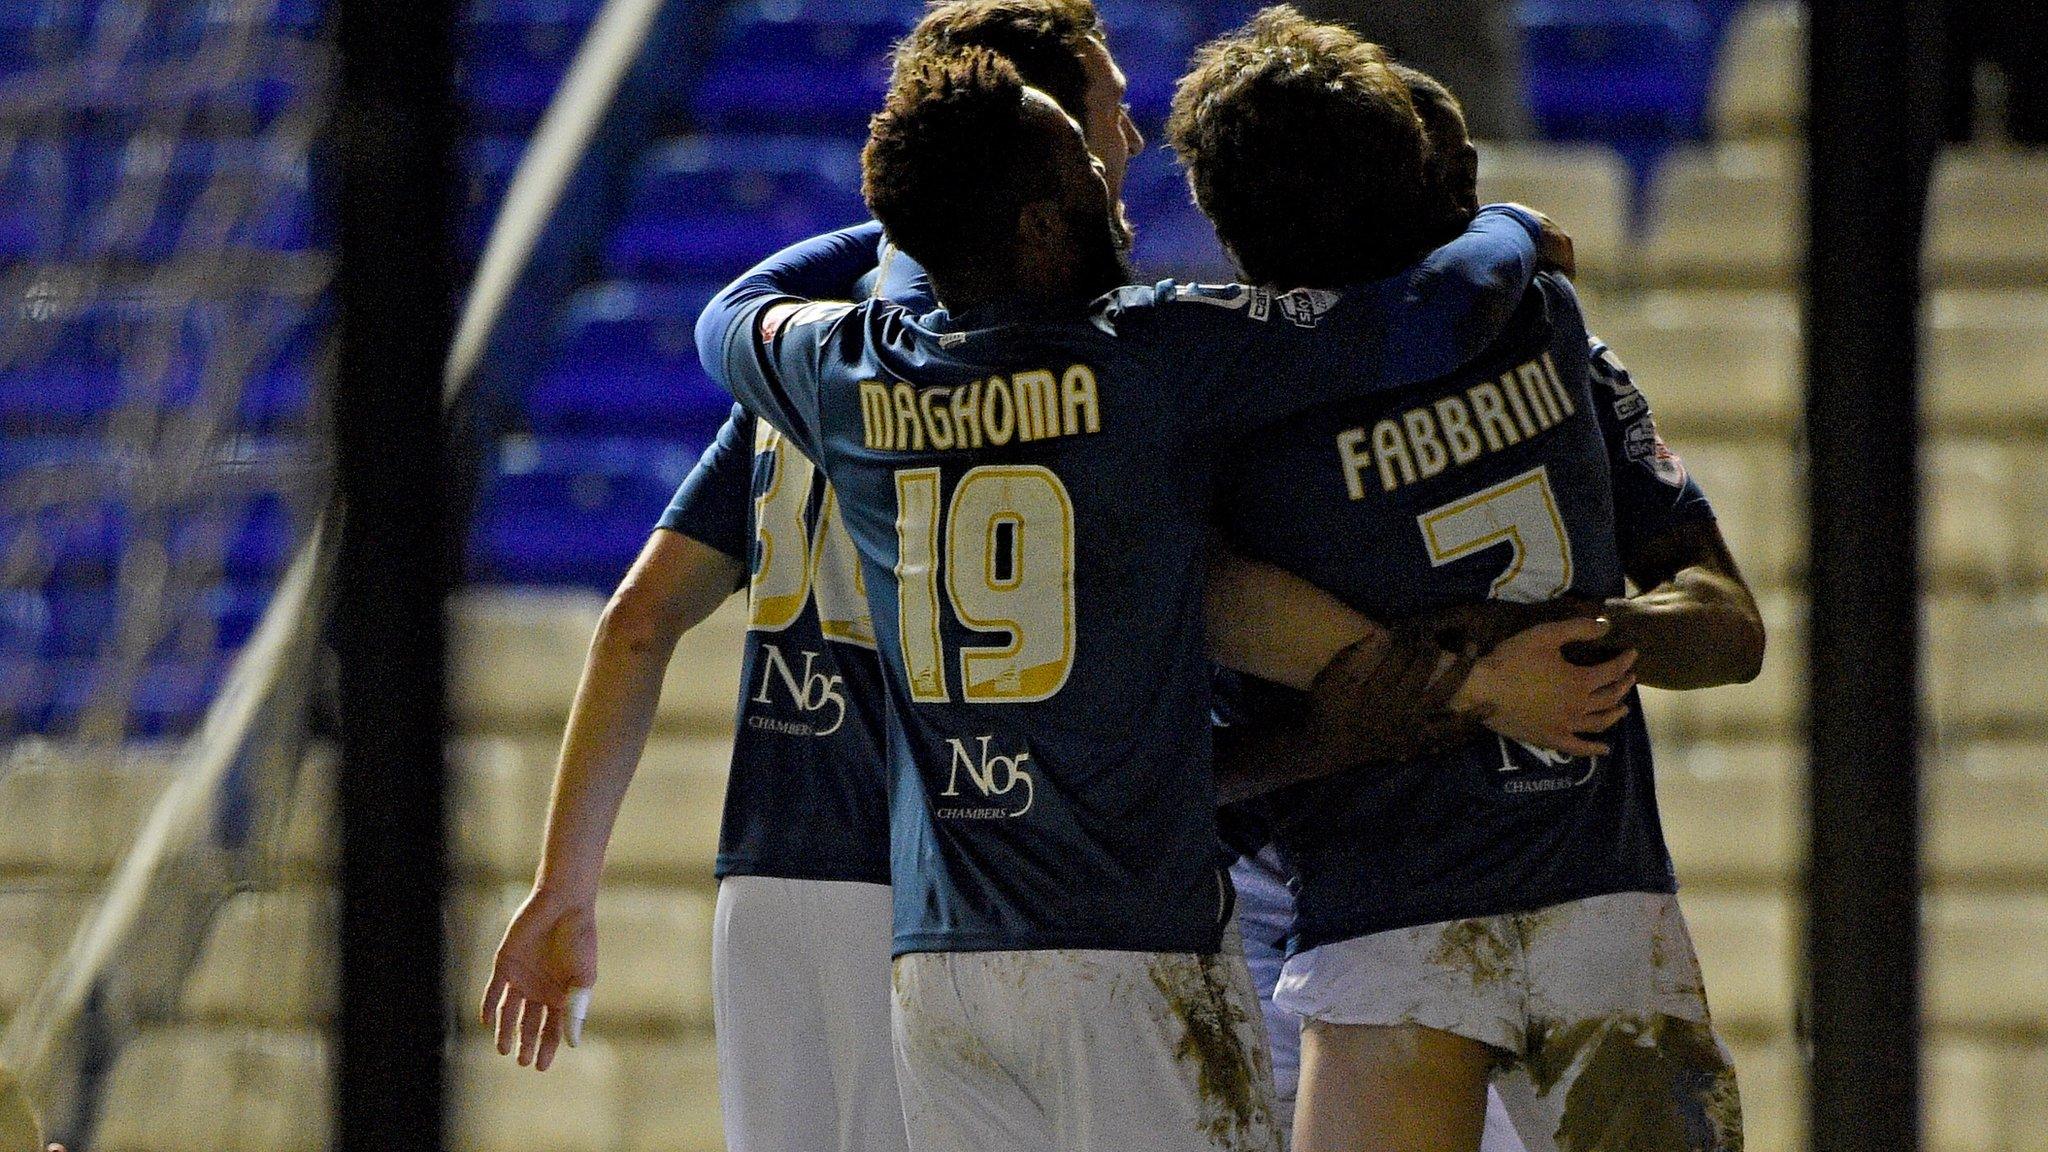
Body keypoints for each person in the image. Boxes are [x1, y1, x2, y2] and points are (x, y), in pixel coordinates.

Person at [480, 7, 1589, 1152]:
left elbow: (702, 399)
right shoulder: (1149, 357)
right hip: (1090, 915)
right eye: (1095, 132)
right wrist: (1501, 231)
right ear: (1036, 202)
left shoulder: (833, 370)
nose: (1125, 159)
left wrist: (566, 883)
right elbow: (1398, 338)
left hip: (886, 915)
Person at [1168, 11, 1766, 1151]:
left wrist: (1438, 685)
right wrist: (1558, 643)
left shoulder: (1214, 392)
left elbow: (1200, 627)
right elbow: (1729, 629)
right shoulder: (1541, 317)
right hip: (1593, 891)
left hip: (1382, 914)